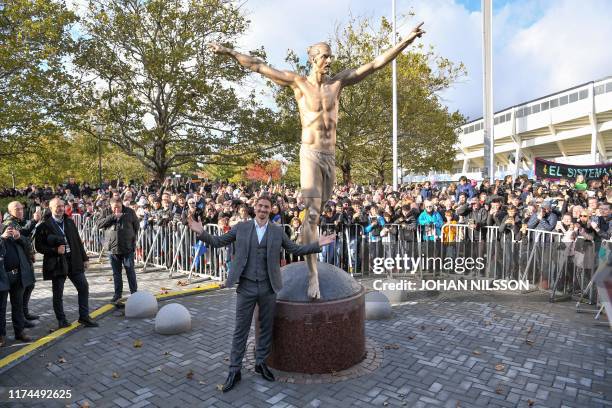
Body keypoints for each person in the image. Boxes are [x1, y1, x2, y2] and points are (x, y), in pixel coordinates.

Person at [209, 22, 425, 299]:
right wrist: (227, 51)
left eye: (330, 55)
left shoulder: (338, 83)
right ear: (312, 59)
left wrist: (406, 40)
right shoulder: (298, 83)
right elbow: (258, 66)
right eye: (324, 55)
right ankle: (312, 276)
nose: (329, 60)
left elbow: (375, 64)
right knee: (311, 214)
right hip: (309, 153)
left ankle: (304, 247)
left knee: (319, 215)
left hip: (330, 156)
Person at [187, 195, 335, 392]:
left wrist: (317, 244)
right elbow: (218, 241)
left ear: (270, 209)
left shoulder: (276, 232)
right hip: (246, 287)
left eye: (267, 207)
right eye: (260, 206)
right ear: (254, 208)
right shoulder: (241, 227)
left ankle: (261, 363)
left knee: (266, 327)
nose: (263, 209)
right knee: (241, 329)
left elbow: (294, 249)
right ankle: (234, 370)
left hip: (268, 287)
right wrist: (201, 232)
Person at [34, 198, 98, 329]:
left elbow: (77, 241)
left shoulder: (69, 221)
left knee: (83, 287)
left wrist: (85, 258)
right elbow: (38, 247)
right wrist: (54, 250)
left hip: (74, 261)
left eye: (62, 206)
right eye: (57, 206)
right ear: (51, 208)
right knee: (58, 293)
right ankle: (61, 320)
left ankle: (84, 317)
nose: (61, 208)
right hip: (58, 263)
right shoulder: (44, 226)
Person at [96, 198, 140, 303]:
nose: (117, 209)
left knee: (130, 271)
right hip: (112, 248)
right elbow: (98, 224)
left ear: (122, 205)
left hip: (127, 247)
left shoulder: (129, 212)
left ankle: (134, 293)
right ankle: (117, 294)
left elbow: (136, 226)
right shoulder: (106, 212)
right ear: (110, 206)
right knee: (116, 273)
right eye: (114, 207)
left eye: (119, 207)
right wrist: (112, 217)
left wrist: (131, 238)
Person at [2, 201, 40, 321]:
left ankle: (24, 313)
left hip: (26, 258)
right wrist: (33, 221)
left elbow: (25, 236)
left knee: (30, 285)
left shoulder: (19, 221)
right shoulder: (9, 223)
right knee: (24, 288)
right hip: (18, 261)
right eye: (17, 209)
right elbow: (22, 234)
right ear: (10, 212)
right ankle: (22, 317)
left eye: (21, 208)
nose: (20, 211)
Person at [0, 224, 34, 345]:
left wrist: (18, 237)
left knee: (18, 305)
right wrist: (1, 238)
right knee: (1, 308)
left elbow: (27, 247)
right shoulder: (3, 234)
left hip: (17, 275)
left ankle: (19, 332)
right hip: (2, 276)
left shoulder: (10, 228)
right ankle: (1, 336)